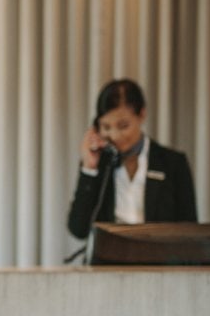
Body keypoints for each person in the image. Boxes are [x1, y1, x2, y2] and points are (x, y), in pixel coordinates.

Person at [66, 78, 198, 240]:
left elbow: (190, 231)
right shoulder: (98, 164)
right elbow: (78, 230)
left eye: (123, 126)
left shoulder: (173, 163)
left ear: (142, 114)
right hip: (108, 261)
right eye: (106, 127)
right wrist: (89, 168)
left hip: (159, 260)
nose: (115, 136)